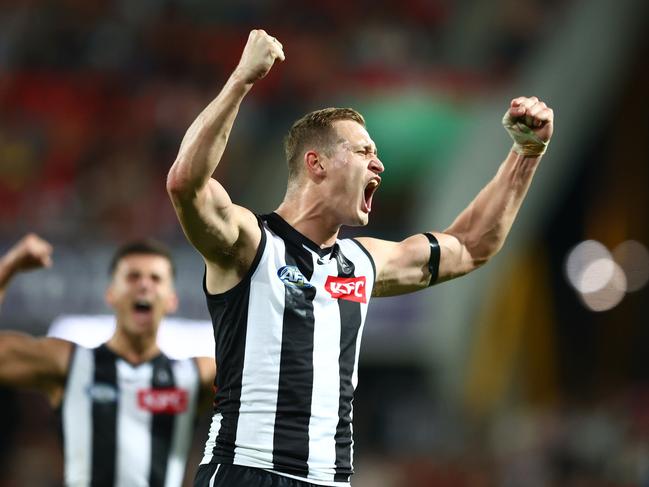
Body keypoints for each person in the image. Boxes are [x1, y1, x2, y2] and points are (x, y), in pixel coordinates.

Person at [166, 29, 554, 487]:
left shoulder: (361, 262)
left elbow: (471, 247)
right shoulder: (252, 243)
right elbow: (185, 185)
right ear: (317, 164)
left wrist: (525, 153)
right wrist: (243, 79)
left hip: (332, 479)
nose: (380, 164)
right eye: (365, 151)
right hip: (248, 470)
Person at [0, 233, 216, 487]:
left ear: (171, 300)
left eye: (155, 278)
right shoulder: (70, 363)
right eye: (133, 276)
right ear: (111, 294)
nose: (144, 285)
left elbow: (265, 373)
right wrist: (9, 266)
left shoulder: (195, 375)